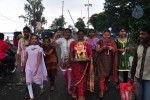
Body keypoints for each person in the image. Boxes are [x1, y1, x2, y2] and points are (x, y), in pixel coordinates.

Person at [70, 30, 93, 100]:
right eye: (79, 34)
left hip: (84, 64)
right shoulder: (73, 43)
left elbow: (90, 53)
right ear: (77, 35)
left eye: (82, 34)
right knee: (77, 78)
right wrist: (71, 58)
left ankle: (77, 92)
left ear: (84, 35)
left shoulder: (86, 44)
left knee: (83, 79)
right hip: (75, 64)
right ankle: (80, 95)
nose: (80, 35)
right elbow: (71, 52)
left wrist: (89, 58)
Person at [23, 34, 47, 100]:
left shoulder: (40, 49)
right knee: (28, 81)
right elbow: (26, 58)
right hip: (28, 67)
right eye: (32, 38)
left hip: (37, 67)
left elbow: (39, 59)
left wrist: (36, 69)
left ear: (37, 40)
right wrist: (23, 67)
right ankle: (31, 96)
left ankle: (41, 87)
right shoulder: (27, 49)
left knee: (39, 79)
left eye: (35, 39)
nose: (34, 40)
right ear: (30, 40)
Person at [96, 30, 118, 98]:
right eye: (105, 35)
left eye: (108, 35)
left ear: (110, 35)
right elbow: (97, 50)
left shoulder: (112, 41)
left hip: (109, 62)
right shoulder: (99, 41)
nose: (106, 36)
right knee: (102, 77)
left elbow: (115, 51)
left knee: (107, 76)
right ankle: (101, 91)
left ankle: (105, 86)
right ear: (103, 35)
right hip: (101, 62)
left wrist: (112, 49)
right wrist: (103, 48)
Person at [52, 28, 74, 94]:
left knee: (69, 74)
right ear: (64, 33)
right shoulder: (61, 40)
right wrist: (56, 35)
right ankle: (66, 79)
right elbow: (52, 43)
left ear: (70, 33)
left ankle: (69, 89)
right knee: (64, 74)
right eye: (66, 32)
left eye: (68, 32)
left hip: (71, 59)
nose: (67, 33)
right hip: (63, 60)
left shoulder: (72, 40)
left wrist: (71, 59)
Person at [131, 27, 150, 100]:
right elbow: (134, 63)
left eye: (143, 34)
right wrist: (132, 77)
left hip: (148, 79)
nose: (140, 36)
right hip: (138, 78)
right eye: (140, 34)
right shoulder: (138, 47)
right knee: (138, 97)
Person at [14, 26, 31, 99]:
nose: (25, 33)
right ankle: (28, 90)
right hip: (23, 63)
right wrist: (16, 60)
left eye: (27, 31)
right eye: (24, 32)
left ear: (29, 32)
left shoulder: (32, 40)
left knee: (30, 77)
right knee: (26, 77)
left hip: (32, 62)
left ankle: (29, 89)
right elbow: (19, 51)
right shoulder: (20, 41)